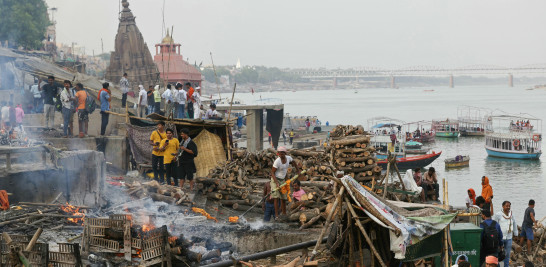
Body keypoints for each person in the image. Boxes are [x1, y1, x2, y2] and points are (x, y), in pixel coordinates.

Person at [271, 146, 300, 217]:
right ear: (278, 154)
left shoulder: (289, 158)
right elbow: (272, 173)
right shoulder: (277, 161)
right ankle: (277, 215)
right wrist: (277, 183)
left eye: (282, 154)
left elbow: (294, 163)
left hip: (283, 180)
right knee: (276, 198)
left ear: (285, 153)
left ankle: (284, 214)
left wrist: (298, 170)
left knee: (283, 198)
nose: (281, 155)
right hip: (275, 180)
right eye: (279, 154)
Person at [493, 201, 518, 267]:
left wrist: (516, 233)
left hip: (509, 237)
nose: (508, 207)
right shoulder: (498, 214)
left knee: (507, 254)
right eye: (506, 206)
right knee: (499, 253)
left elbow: (514, 223)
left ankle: (506, 266)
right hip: (500, 238)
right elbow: (495, 225)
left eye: (509, 206)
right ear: (503, 206)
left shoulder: (511, 214)